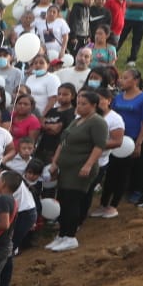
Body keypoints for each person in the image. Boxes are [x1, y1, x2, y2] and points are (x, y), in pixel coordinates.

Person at [48, 89, 108, 252]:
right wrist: (55, 162)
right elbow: (63, 142)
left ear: (94, 105)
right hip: (66, 169)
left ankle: (70, 236)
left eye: (83, 104)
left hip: (80, 168)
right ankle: (62, 234)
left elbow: (99, 146)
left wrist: (88, 165)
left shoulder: (97, 122)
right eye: (78, 104)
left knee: (72, 201)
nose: (79, 107)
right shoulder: (77, 120)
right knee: (63, 200)